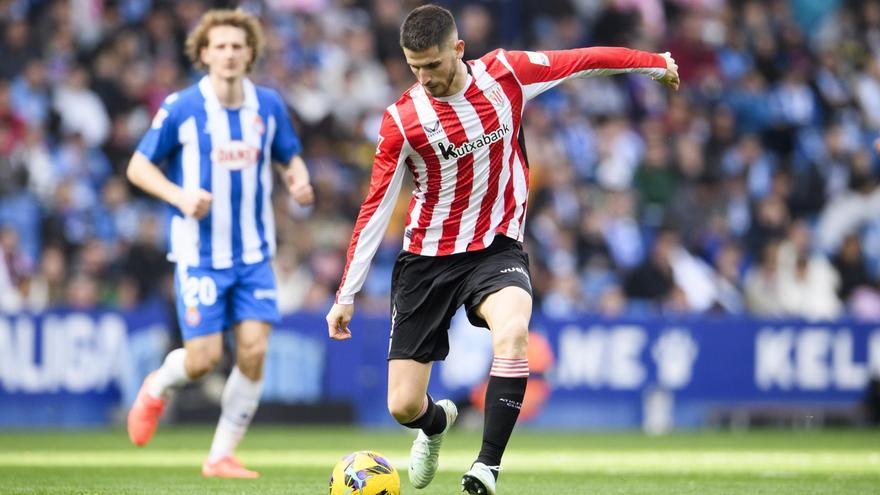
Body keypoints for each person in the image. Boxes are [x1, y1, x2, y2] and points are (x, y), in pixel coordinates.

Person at [325, 4, 679, 494]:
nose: (424, 77)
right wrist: (347, 292)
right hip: (427, 260)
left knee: (513, 333)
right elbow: (375, 209)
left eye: (433, 64)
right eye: (414, 67)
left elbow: (580, 59)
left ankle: (486, 467)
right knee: (403, 406)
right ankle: (436, 424)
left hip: (496, 249)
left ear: (458, 49)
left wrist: (653, 61)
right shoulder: (401, 122)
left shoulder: (506, 75)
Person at [125, 9, 314, 479]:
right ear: (204, 53)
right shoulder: (182, 107)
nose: (229, 54)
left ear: (250, 52)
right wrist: (179, 195)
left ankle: (220, 455)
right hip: (200, 256)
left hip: (254, 254)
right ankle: (157, 385)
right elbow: (138, 167)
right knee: (203, 360)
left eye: (237, 46)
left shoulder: (268, 105)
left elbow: (290, 156)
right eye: (220, 46)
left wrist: (299, 181)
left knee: (253, 352)